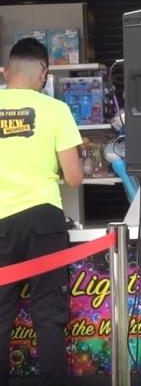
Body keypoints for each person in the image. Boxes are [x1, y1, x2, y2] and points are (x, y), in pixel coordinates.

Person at [0, 38, 82, 386]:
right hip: (44, 221)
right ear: (43, 73)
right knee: (48, 313)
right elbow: (75, 178)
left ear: (6, 71)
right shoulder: (56, 110)